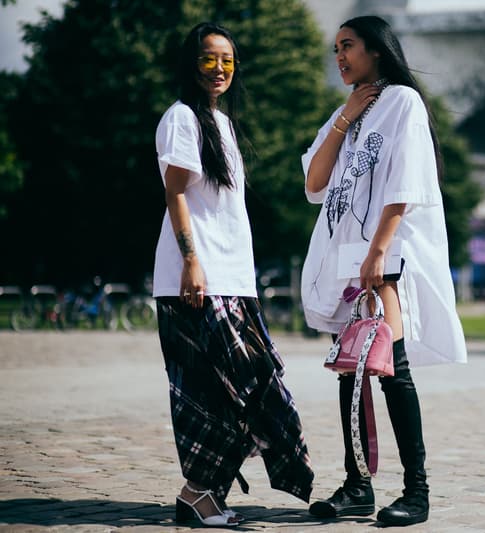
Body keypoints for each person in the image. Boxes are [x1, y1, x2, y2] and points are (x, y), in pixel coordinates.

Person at [300, 15, 467, 527]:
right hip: (348, 261)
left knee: (392, 367)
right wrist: (345, 117)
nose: (340, 57)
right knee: (351, 372)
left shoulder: (402, 103)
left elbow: (408, 181)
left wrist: (379, 251)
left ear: (377, 50)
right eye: (335, 49)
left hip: (383, 259)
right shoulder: (349, 110)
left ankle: (418, 492)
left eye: (348, 46)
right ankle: (357, 486)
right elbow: (314, 180)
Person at [153, 22, 313, 527]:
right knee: (215, 389)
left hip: (233, 279)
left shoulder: (220, 124)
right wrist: (192, 262)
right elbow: (175, 192)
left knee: (248, 387)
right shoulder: (182, 118)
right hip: (198, 278)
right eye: (208, 58)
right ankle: (198, 495)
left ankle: (204, 495)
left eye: (227, 60)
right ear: (190, 63)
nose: (218, 68)